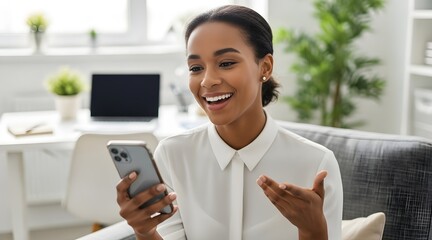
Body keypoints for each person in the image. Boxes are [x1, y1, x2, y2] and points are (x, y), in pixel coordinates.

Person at [116, 5, 343, 240]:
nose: (208, 81)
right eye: (196, 68)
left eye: (226, 63)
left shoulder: (316, 162)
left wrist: (313, 231)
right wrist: (145, 232)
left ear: (264, 67)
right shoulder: (173, 155)